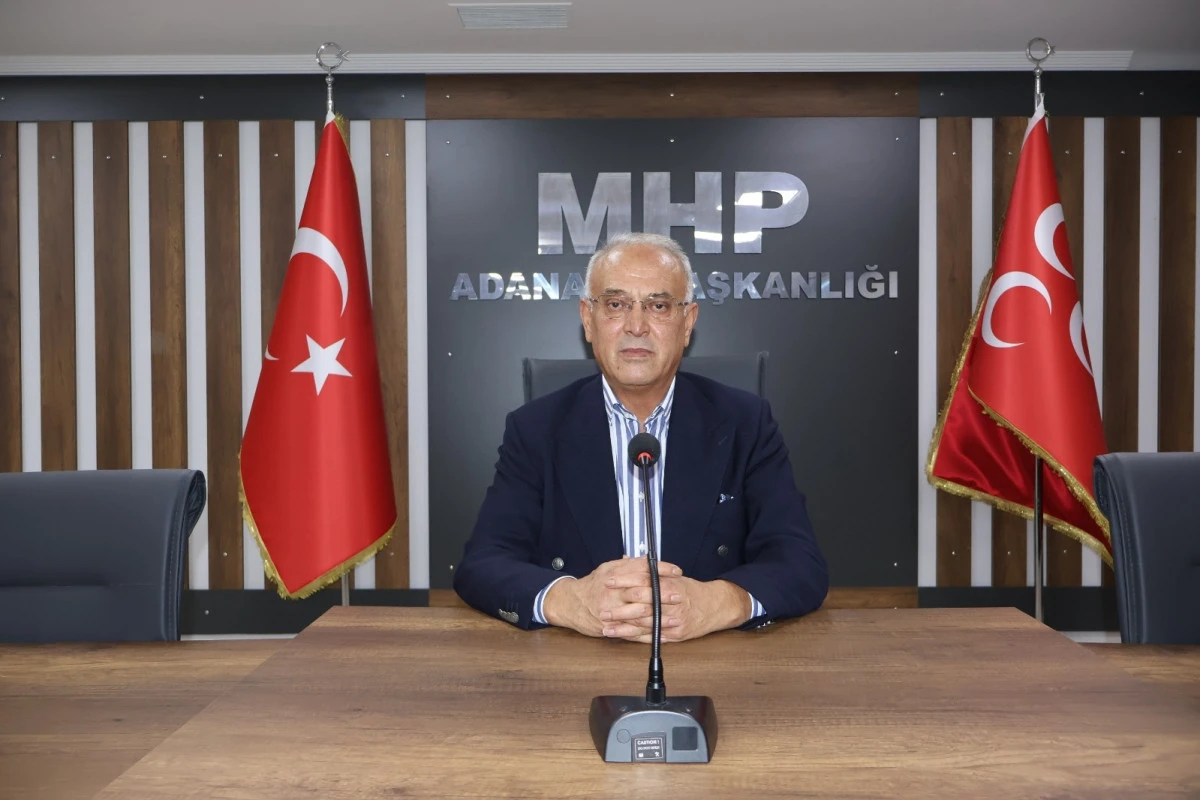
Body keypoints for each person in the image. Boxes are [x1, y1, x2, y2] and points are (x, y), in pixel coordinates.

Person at [454, 232, 828, 642]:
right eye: (616, 305)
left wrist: (718, 602)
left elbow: (799, 562)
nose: (636, 326)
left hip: (712, 658)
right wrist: (569, 600)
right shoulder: (536, 428)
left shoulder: (745, 423)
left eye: (658, 306)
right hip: (577, 660)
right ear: (588, 319)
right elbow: (484, 563)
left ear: (688, 322)